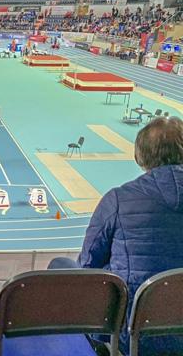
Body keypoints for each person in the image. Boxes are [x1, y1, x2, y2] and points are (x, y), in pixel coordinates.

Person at [49, 117, 183, 355]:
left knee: (59, 266)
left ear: (140, 157)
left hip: (131, 335)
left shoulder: (118, 200)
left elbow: (89, 266)